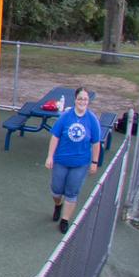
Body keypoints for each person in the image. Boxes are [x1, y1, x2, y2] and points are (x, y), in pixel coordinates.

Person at [44, 86, 104, 234]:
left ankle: (65, 219)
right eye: (80, 98)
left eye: (85, 99)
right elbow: (55, 136)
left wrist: (94, 162)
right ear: (75, 100)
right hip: (61, 160)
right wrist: (50, 156)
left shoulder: (92, 120)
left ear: (88, 101)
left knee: (72, 192)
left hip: (80, 163)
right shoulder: (65, 116)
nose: (82, 101)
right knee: (57, 190)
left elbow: (96, 143)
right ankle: (58, 205)